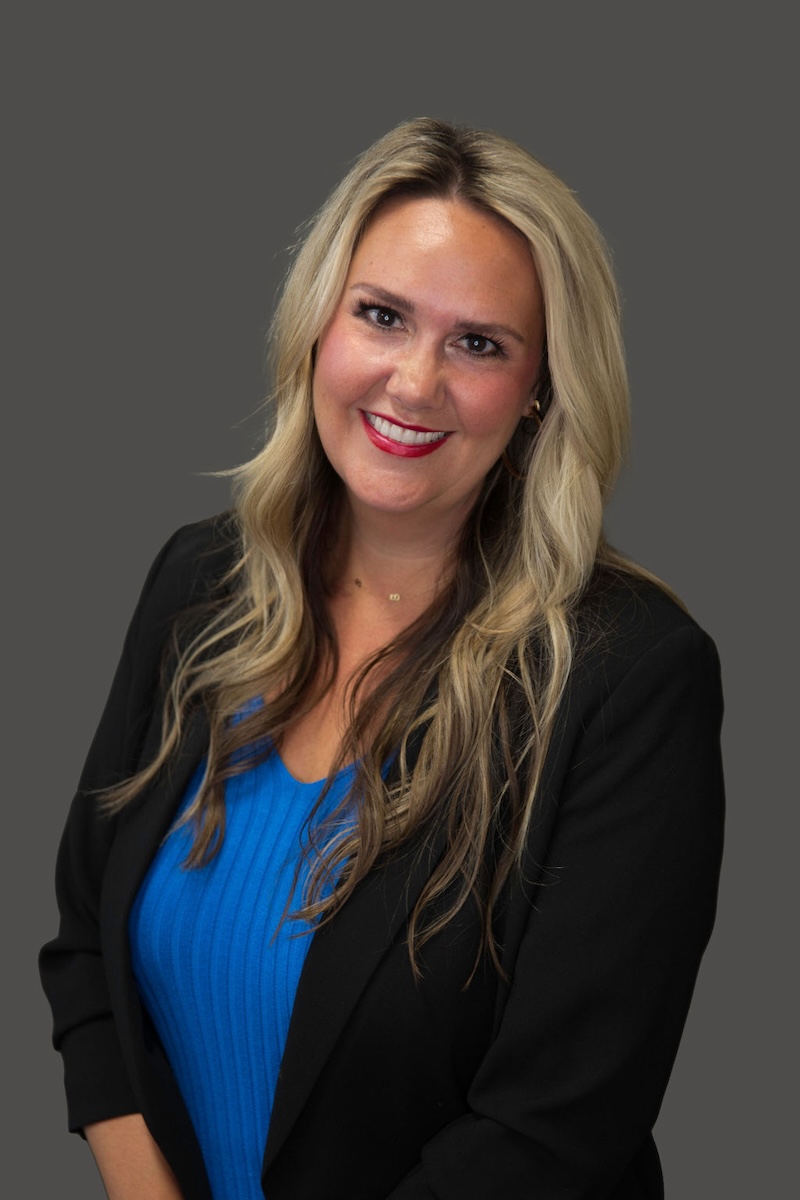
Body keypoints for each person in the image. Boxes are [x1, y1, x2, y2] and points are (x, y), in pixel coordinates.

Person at [39, 117, 724, 1200]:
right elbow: (85, 951)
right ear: (319, 326)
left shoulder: (627, 678)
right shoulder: (197, 587)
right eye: (382, 316)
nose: (412, 382)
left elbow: (552, 1128)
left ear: (541, 387)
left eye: (479, 343)